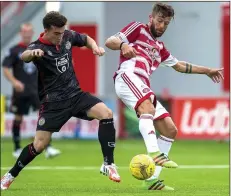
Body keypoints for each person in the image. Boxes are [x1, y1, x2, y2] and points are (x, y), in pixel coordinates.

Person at [105, 3, 224, 191]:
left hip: (142, 84)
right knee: (148, 108)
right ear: (151, 18)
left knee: (170, 130)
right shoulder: (138, 28)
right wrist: (123, 44)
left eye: (166, 24)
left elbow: (179, 65)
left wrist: (207, 71)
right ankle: (154, 152)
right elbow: (110, 41)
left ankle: (151, 180)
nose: (161, 26)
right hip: (128, 77)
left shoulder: (159, 47)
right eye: (160, 21)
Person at [1, 11, 120, 190]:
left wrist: (94, 47)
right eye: (56, 33)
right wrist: (32, 53)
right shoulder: (36, 46)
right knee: (39, 145)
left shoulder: (67, 36)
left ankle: (108, 164)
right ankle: (10, 175)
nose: (60, 36)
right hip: (53, 104)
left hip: (75, 95)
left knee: (106, 113)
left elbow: (86, 39)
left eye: (62, 32)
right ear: (46, 31)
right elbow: (25, 56)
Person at [2, 23, 61, 159]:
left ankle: (49, 147)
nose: (27, 34)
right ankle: (16, 148)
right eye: (24, 32)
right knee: (18, 118)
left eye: (29, 32)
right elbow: (5, 67)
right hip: (21, 91)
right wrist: (14, 82)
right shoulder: (14, 50)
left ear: (32, 33)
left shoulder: (39, 48)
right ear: (20, 33)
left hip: (38, 90)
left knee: (45, 117)